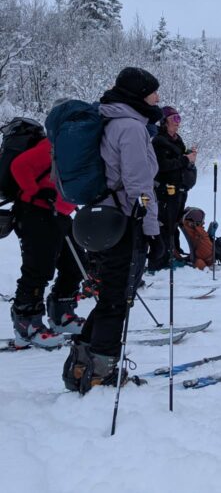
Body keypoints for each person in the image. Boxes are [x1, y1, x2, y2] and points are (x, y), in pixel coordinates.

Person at [63, 67, 163, 393]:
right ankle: (99, 371)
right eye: (152, 92)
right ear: (138, 95)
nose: (157, 98)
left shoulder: (110, 119)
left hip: (105, 219)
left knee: (111, 295)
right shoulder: (131, 128)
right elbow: (139, 185)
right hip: (126, 222)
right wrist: (152, 231)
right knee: (117, 299)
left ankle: (81, 363)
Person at [8, 136, 83, 348]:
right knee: (39, 268)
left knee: (75, 264)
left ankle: (62, 314)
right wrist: (35, 192)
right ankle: (26, 323)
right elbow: (19, 165)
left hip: (60, 214)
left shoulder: (79, 147)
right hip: (36, 213)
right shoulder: (55, 144)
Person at [151, 105, 197, 270]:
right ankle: (162, 259)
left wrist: (189, 155)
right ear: (164, 122)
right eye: (174, 119)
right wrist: (186, 160)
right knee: (165, 224)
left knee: (175, 222)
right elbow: (162, 165)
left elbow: (180, 157)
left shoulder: (176, 139)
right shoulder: (159, 140)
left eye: (179, 118)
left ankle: (174, 251)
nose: (178, 123)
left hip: (179, 189)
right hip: (165, 190)